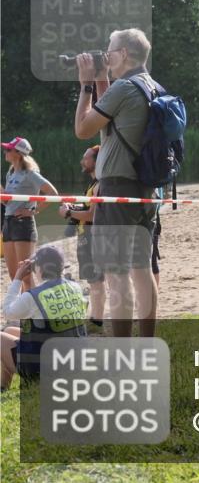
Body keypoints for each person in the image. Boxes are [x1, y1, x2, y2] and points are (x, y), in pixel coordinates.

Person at [73, 28, 159, 338]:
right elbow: (110, 120)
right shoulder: (150, 86)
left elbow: (83, 129)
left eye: (110, 50)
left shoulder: (124, 88)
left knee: (116, 272)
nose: (107, 55)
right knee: (141, 269)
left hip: (117, 189)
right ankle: (147, 342)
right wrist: (99, 77)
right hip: (146, 190)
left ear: (123, 54)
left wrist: (85, 84)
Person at [1, 245, 87, 389]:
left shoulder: (34, 297)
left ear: (39, 269)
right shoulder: (75, 287)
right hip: (74, 361)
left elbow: (8, 312)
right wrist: (27, 282)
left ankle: (17, 383)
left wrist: (17, 279)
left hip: (47, 369)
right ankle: (3, 387)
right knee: (10, 331)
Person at [59, 145, 106, 330]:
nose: (82, 161)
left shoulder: (99, 185)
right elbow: (88, 209)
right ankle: (96, 317)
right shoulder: (93, 184)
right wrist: (74, 208)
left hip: (93, 238)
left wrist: (69, 212)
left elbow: (92, 215)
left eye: (86, 158)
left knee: (96, 281)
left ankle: (97, 320)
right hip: (85, 237)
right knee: (94, 281)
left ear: (96, 161)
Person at [2, 137, 58, 291]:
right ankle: (23, 311)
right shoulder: (11, 173)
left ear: (18, 153)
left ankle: (31, 312)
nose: (5, 151)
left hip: (23, 225)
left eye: (8, 149)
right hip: (8, 223)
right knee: (14, 276)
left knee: (25, 276)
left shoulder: (30, 174)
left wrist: (34, 210)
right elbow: (8, 202)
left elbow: (53, 193)